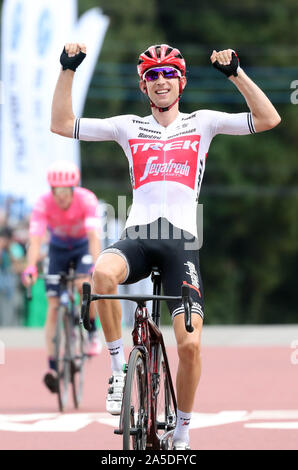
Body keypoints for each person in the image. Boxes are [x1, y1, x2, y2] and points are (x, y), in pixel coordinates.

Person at [50, 43, 281, 449]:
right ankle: (119, 369)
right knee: (102, 273)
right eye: (152, 75)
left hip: (181, 243)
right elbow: (61, 122)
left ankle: (183, 432)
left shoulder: (203, 122)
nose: (161, 81)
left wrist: (235, 74)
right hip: (138, 237)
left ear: (182, 81)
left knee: (189, 345)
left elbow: (268, 118)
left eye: (168, 73)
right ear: (143, 86)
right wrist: (68, 68)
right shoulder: (127, 127)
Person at [22, 160, 102, 393]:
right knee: (54, 306)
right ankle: (53, 367)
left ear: (73, 189)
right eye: (57, 193)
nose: (62, 198)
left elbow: (93, 237)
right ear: (52, 191)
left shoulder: (86, 199)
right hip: (57, 249)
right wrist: (30, 268)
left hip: (82, 247)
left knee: (82, 283)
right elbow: (35, 240)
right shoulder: (43, 204)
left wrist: (95, 266)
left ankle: (92, 331)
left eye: (66, 192)